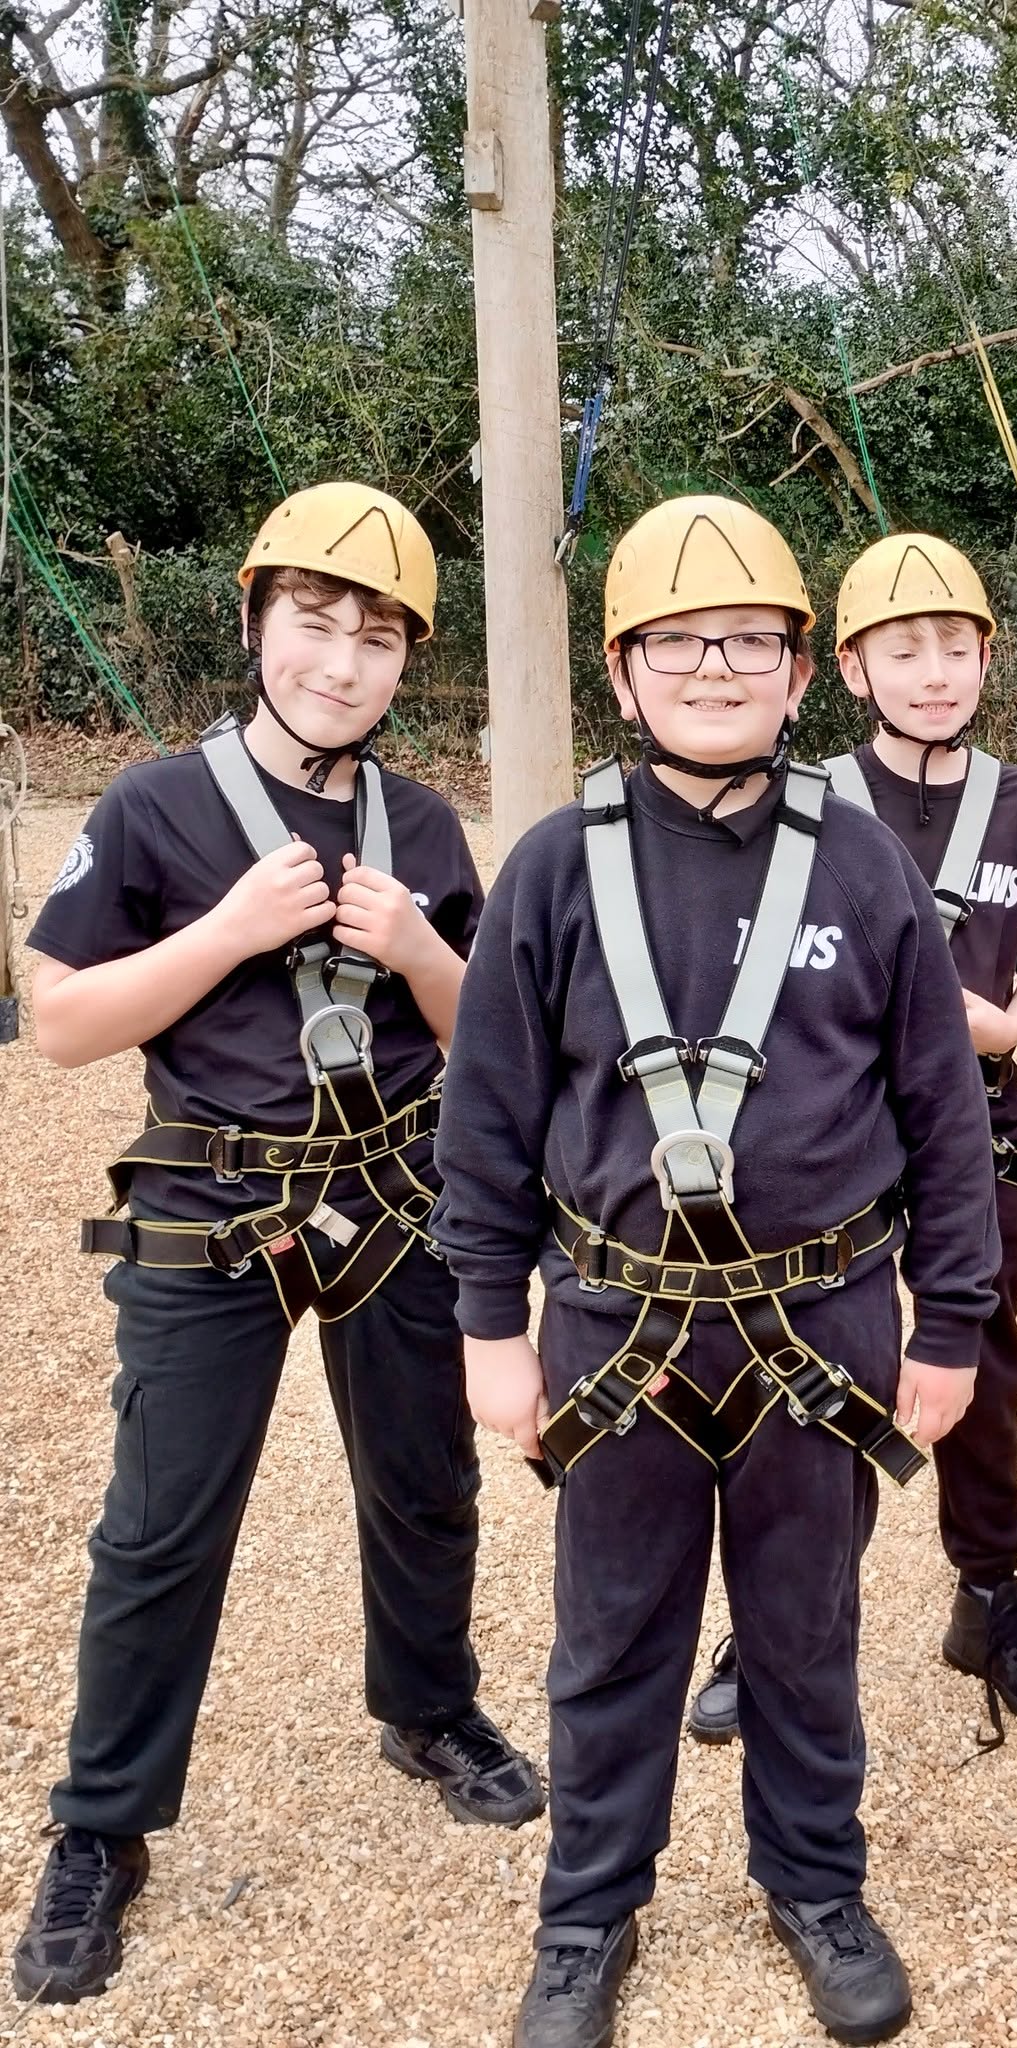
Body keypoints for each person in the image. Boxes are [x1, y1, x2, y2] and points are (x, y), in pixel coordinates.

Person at [435, 495, 998, 2047]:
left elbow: (945, 1114)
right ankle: (588, 1912)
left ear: (799, 671)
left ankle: (815, 1880)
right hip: (615, 1325)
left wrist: (948, 1325)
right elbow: (484, 1116)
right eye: (678, 645)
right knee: (612, 1637)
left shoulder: (867, 867)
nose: (714, 668)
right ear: (623, 676)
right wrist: (491, 1326)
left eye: (746, 641)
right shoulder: (551, 870)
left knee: (804, 1632)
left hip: (821, 1322)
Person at [12, 484, 541, 2009]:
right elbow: (57, 1021)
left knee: (426, 1481)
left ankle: (429, 1706)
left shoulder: (424, 825)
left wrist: (425, 947)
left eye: (376, 638)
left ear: (405, 664)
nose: (342, 662)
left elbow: (491, 1037)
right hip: (213, 1197)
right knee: (162, 1519)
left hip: (394, 1194)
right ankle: (104, 1826)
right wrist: (228, 933)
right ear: (255, 625)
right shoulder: (154, 808)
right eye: (314, 624)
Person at [687, 532, 1017, 1752]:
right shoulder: (799, 806)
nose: (932, 672)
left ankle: (991, 1593)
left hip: (979, 1138)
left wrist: (1012, 1018)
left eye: (953, 649)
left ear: (981, 661)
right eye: (902, 650)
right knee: (805, 1381)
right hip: (833, 1146)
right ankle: (767, 1627)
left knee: (985, 1376)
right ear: (848, 668)